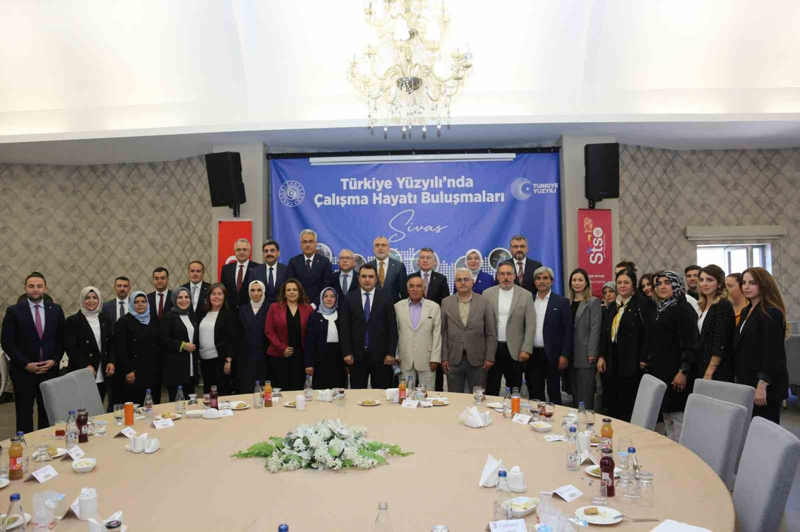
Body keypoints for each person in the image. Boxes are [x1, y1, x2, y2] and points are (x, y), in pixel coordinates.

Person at [1, 272, 65, 432]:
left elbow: (62, 340)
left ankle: (46, 442)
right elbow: (7, 342)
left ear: (45, 288)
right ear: (25, 288)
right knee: (24, 413)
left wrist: (54, 360)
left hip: (49, 371)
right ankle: (25, 443)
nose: (35, 289)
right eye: (31, 286)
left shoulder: (56, 310)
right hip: (23, 372)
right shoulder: (14, 311)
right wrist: (26, 364)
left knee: (47, 411)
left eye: (39, 286)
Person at [646, 271, 699, 442]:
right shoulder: (661, 308)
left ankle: (682, 454)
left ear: (676, 285)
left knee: (678, 418)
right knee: (667, 416)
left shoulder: (683, 308)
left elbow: (691, 343)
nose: (662, 287)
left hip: (677, 372)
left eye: (667, 283)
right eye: (659, 283)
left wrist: (683, 371)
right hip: (662, 371)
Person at [734, 267, 790, 424]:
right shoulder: (747, 310)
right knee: (749, 428)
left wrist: (762, 384)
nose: (746, 286)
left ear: (764, 284)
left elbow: (773, 353)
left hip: (765, 383)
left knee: (764, 429)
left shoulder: (772, 312)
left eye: (752, 283)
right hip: (747, 379)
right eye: (744, 282)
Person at [597, 268, 646, 422]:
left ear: (633, 284)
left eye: (626, 282)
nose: (622, 286)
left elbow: (648, 334)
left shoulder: (642, 304)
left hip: (632, 363)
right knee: (612, 404)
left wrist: (644, 358)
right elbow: (605, 334)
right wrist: (601, 356)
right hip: (612, 363)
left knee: (628, 405)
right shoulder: (612, 306)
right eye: (619, 282)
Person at [340, 264, 399, 389]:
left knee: (382, 395)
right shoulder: (349, 299)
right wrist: (347, 352)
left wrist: (390, 353)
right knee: (357, 394)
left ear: (376, 279)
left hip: (381, 357)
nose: (367, 280)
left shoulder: (386, 298)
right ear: (358, 278)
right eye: (364, 276)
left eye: (371, 277)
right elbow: (344, 328)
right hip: (356, 357)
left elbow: (392, 328)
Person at [440, 269, 497, 394]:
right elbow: (443, 332)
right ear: (455, 283)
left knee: (478, 398)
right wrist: (444, 357)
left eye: (466, 279)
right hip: (453, 360)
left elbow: (491, 332)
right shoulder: (446, 302)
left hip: (478, 360)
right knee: (454, 399)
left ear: (472, 282)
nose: (462, 282)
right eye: (459, 280)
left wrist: (490, 357)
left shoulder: (484, 301)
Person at [482, 263, 535, 396]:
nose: (505, 277)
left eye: (509, 274)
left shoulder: (525, 295)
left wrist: (526, 349)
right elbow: (482, 323)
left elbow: (531, 324)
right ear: (497, 276)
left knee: (514, 390)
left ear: (514, 276)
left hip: (515, 351)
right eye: (502, 274)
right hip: (493, 350)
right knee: (491, 390)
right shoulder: (487, 294)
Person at [525, 266, 573, 405]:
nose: (541, 281)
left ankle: (555, 417)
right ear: (534, 282)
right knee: (535, 393)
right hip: (533, 355)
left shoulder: (561, 302)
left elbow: (568, 330)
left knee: (554, 393)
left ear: (551, 281)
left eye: (545, 278)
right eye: (538, 278)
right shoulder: (528, 300)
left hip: (553, 355)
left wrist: (564, 355)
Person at [65, 286, 115, 402]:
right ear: (82, 300)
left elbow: (111, 343)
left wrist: (111, 361)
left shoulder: (104, 319)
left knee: (99, 404)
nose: (91, 301)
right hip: (82, 370)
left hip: (102, 371)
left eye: (94, 298)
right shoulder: (73, 321)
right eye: (87, 298)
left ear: (99, 300)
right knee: (81, 406)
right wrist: (85, 365)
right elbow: (70, 347)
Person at [394, 276, 442, 391]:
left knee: (427, 394)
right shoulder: (397, 307)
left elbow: (437, 334)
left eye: (418, 286)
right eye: (412, 286)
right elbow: (394, 333)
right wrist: (395, 355)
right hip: (404, 359)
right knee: (405, 394)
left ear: (424, 289)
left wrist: (435, 358)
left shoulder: (434, 307)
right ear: (407, 289)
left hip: (427, 359)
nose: (415, 289)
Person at [266, 279, 314, 391]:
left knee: (298, 390)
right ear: (284, 293)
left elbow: (311, 333)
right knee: (280, 390)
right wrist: (282, 348)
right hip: (279, 355)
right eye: (288, 290)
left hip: (300, 356)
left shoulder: (308, 309)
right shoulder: (274, 307)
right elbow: (269, 330)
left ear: (299, 292)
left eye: (294, 290)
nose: (292, 292)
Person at [114, 291, 160, 405]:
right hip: (134, 372)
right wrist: (128, 370)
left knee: (153, 404)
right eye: (136, 302)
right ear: (131, 304)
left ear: (147, 303)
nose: (140, 304)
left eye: (143, 301)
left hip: (152, 371)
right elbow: (120, 349)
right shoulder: (123, 322)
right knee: (136, 405)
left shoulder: (154, 319)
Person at [567, 268, 602, 409]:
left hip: (586, 355)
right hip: (570, 355)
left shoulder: (593, 302)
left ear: (586, 282)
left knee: (585, 395)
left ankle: (586, 420)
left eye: (580, 280)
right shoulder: (567, 302)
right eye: (574, 280)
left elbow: (595, 328)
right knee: (574, 394)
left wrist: (592, 352)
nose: (577, 283)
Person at [696, 265, 735, 382]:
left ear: (719, 284)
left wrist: (710, 370)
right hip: (703, 362)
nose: (704, 284)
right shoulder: (703, 305)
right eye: (701, 280)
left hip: (717, 368)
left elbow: (720, 340)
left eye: (709, 280)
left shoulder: (723, 305)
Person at [159, 287, 198, 401]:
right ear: (174, 299)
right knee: (177, 402)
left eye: (186, 297)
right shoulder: (168, 317)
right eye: (180, 297)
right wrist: (183, 345)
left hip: (190, 368)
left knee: (190, 402)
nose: (184, 300)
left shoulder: (192, 316)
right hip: (175, 369)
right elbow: (163, 339)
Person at [197, 284, 238, 394]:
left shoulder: (229, 314)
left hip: (220, 360)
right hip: (204, 360)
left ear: (224, 296)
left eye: (220, 294)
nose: (216, 297)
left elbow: (232, 339)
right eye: (213, 294)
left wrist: (228, 360)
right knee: (207, 392)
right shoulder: (203, 312)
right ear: (209, 296)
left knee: (221, 392)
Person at [305, 287, 347, 390]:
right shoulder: (314, 316)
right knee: (320, 391)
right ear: (321, 299)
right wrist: (309, 364)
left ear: (336, 299)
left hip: (339, 360)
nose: (329, 299)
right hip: (320, 360)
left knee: (339, 391)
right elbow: (309, 342)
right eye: (326, 296)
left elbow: (347, 338)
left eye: (332, 296)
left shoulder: (342, 315)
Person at [101, 275, 131, 411]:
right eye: (119, 286)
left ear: (129, 288)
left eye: (125, 286)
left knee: (130, 394)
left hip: (130, 354)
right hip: (112, 355)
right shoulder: (107, 306)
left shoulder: (135, 305)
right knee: (113, 395)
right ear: (114, 287)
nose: (122, 289)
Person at [286, 229, 335, 307]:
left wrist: (314, 304)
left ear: (316, 243)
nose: (308, 245)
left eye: (311, 241)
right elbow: (290, 285)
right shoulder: (293, 262)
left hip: (320, 306)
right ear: (300, 244)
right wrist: (300, 303)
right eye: (305, 242)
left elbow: (327, 286)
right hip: (298, 305)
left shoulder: (324, 262)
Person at [237, 280, 269, 393]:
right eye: (253, 290)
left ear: (263, 292)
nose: (256, 293)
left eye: (259, 290)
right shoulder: (242, 309)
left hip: (264, 355)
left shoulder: (270, 308)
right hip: (246, 356)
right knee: (247, 387)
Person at [147, 266, 171, 403]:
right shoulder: (146, 298)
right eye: (156, 278)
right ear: (153, 280)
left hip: (171, 350)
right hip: (152, 351)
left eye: (162, 278)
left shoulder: (176, 297)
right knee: (154, 389)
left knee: (172, 389)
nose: (159, 281)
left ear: (167, 279)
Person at [221, 238, 261, 312]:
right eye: (238, 250)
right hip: (230, 312)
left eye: (244, 250)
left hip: (250, 311)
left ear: (249, 252)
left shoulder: (258, 268)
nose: (241, 252)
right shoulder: (226, 269)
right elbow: (223, 291)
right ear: (235, 252)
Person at [369, 236, 408, 303]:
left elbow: (404, 292)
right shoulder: (368, 267)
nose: (380, 248)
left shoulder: (399, 266)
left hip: (394, 306)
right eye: (377, 245)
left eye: (383, 245)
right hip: (373, 306)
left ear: (388, 248)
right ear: (373, 249)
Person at [252, 240, 287, 306]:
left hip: (281, 308)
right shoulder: (255, 271)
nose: (269, 254)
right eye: (266, 251)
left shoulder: (286, 270)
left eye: (272, 250)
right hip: (261, 309)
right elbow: (251, 294)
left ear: (278, 253)